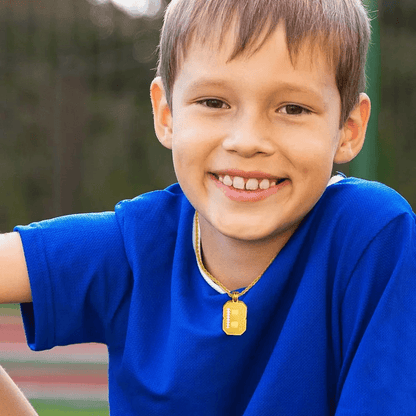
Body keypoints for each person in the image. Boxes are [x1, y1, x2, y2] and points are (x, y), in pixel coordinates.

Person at [1, 0, 416, 414]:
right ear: (166, 114)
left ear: (349, 128)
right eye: (214, 102)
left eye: (293, 108)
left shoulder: (371, 235)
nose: (247, 139)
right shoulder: (133, 245)